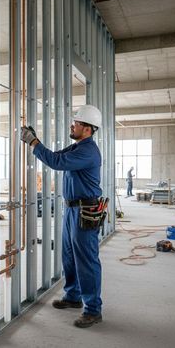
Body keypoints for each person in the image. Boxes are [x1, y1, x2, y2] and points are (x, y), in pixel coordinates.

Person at [21, 104, 103, 328]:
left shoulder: (88, 151)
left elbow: (56, 163)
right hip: (71, 210)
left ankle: (93, 309)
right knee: (68, 255)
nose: (72, 125)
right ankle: (73, 296)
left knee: (86, 260)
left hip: (85, 211)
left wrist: (33, 142)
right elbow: (56, 156)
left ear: (87, 128)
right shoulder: (77, 147)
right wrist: (36, 140)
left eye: (76, 122)